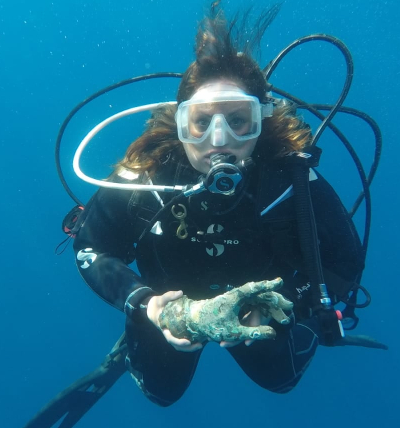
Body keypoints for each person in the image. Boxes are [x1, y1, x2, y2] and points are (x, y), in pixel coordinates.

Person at [69, 3, 381, 408]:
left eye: (238, 121)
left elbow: (345, 262)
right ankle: (134, 340)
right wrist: (144, 303)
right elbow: (91, 247)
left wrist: (284, 303)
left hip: (263, 309)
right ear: (180, 124)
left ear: (262, 122)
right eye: (201, 122)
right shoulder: (146, 178)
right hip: (171, 308)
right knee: (162, 393)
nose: (219, 140)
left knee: (280, 379)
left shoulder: (293, 182)